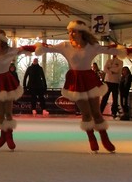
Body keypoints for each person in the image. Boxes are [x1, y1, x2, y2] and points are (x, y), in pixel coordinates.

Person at [37, 20, 123, 153]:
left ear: (81, 32)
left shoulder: (92, 46)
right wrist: (37, 46)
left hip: (89, 79)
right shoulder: (65, 45)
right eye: (69, 31)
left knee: (96, 112)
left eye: (74, 31)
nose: (71, 34)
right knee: (86, 113)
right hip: (76, 81)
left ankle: (104, 137)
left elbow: (107, 49)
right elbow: (48, 48)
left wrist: (125, 49)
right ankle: (91, 137)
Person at [0, 29, 36, 150]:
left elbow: (24, 49)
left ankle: (9, 136)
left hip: (7, 83)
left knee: (8, 112)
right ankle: (3, 135)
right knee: (0, 114)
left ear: (1, 41)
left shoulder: (10, 51)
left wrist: (39, 46)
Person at [100, 53, 123, 118]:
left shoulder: (120, 62)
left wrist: (109, 69)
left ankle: (114, 112)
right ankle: (100, 111)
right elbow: (105, 69)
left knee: (115, 98)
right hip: (108, 81)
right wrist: (111, 71)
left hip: (115, 82)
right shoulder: (108, 61)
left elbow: (117, 70)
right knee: (105, 97)